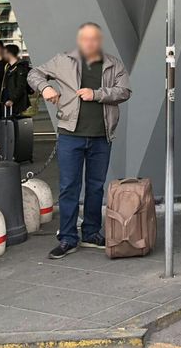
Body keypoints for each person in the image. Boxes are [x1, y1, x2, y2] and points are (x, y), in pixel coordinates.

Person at [28, 23, 131, 259]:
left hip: (101, 136)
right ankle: (67, 238)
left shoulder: (113, 63)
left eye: (94, 39)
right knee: (68, 188)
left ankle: (91, 233)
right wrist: (44, 88)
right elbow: (34, 73)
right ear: (79, 40)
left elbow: (124, 92)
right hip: (70, 135)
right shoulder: (63, 60)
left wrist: (96, 94)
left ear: (100, 40)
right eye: (85, 39)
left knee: (95, 187)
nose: (89, 43)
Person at [0, 44, 29, 117]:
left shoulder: (20, 68)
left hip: (16, 104)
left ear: (8, 53)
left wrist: (12, 99)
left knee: (14, 125)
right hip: (7, 102)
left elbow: (21, 86)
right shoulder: (8, 68)